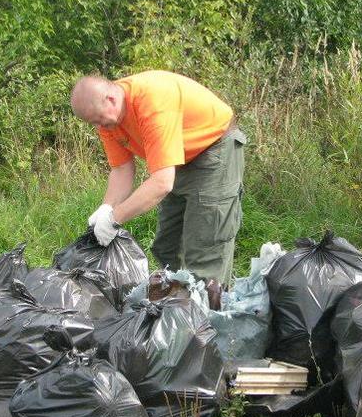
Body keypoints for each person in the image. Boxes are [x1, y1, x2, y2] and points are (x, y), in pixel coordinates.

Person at [70, 70, 246, 285]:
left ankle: (209, 303)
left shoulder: (151, 101)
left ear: (111, 99)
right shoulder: (107, 119)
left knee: (204, 249)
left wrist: (114, 219)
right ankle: (177, 300)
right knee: (167, 247)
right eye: (93, 123)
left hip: (215, 148)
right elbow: (122, 169)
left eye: (99, 120)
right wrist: (106, 208)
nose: (99, 127)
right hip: (177, 157)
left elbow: (162, 183)